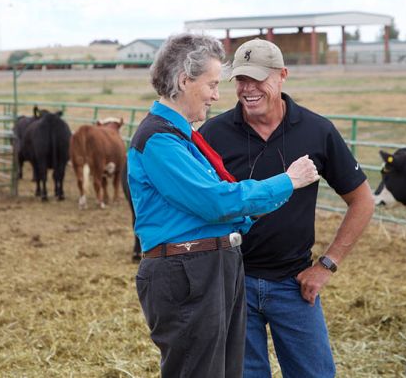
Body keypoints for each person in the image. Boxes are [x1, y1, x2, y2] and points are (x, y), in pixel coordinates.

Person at [128, 33, 321, 378]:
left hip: (208, 266)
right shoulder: (159, 140)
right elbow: (215, 202)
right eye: (212, 84)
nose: (217, 95)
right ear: (184, 80)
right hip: (188, 269)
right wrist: (287, 181)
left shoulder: (181, 137)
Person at [199, 38, 375, 378]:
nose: (248, 89)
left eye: (258, 79)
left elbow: (362, 200)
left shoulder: (316, 130)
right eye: (241, 80)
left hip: (293, 283)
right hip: (233, 283)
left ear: (282, 75)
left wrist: (326, 265)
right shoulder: (214, 134)